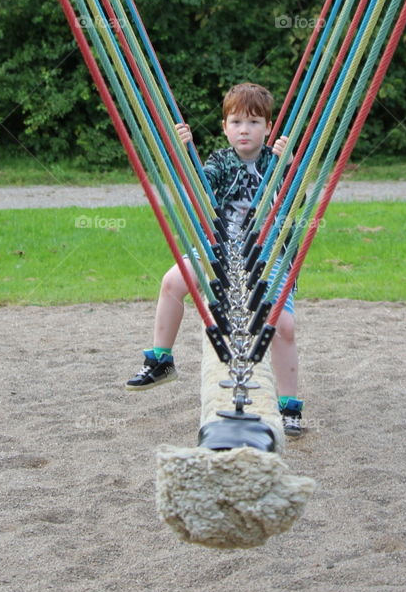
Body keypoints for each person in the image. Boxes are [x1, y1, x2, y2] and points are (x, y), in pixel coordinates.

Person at [126, 82, 305, 437]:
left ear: (268, 128)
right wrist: (181, 155)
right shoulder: (220, 162)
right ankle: (160, 358)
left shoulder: (276, 161)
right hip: (220, 247)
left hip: (267, 252)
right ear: (224, 127)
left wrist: (291, 164)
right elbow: (197, 188)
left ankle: (289, 407)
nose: (244, 130)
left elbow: (296, 202)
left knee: (283, 327)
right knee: (172, 282)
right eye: (236, 122)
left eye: (253, 123)